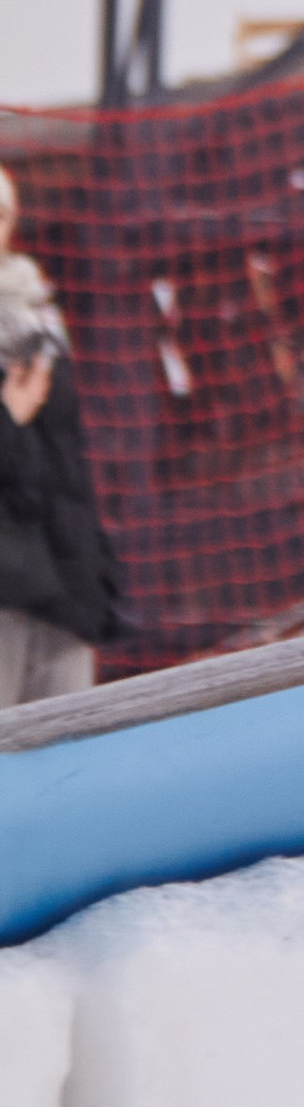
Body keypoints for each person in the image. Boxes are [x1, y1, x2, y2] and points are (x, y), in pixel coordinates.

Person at [0, 165, 122, 705]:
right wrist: (8, 418)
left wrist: (94, 558)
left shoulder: (37, 312)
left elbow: (67, 457)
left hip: (61, 576)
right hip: (7, 582)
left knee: (73, 742)